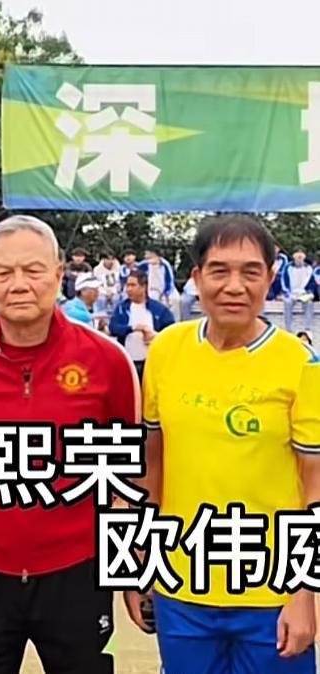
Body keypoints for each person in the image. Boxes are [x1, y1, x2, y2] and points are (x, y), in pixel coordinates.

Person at [0, 215, 139, 674]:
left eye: (33, 270)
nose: (19, 284)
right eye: (4, 272)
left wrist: (133, 570)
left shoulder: (109, 361)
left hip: (78, 570)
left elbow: (129, 478)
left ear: (59, 275)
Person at [127, 214, 320, 674]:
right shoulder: (166, 350)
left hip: (270, 591)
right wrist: (136, 566)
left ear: (270, 279)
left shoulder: (300, 363)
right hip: (181, 586)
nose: (235, 286)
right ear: (197, 278)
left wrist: (304, 593)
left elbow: (315, 487)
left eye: (250, 272)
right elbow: (150, 467)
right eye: (220, 270)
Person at [110, 269, 175, 382]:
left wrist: (155, 336)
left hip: (152, 362)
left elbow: (171, 333)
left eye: (133, 285)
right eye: (127, 285)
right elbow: (113, 328)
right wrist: (132, 328)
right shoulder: (122, 309)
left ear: (143, 287)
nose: (128, 289)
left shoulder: (159, 310)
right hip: (128, 361)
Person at [281, 248, 316, 332]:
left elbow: (312, 283)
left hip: (303, 293)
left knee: (309, 303)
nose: (299, 260)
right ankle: (288, 328)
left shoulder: (309, 268)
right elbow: (283, 281)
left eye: (301, 258)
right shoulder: (288, 267)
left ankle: (307, 328)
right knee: (288, 302)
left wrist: (310, 293)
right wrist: (287, 292)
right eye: (298, 258)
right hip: (291, 293)